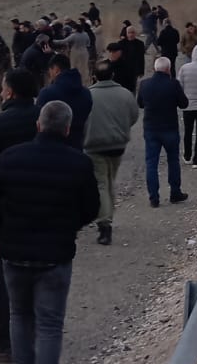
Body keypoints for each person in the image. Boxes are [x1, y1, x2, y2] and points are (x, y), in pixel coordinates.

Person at [0, 98, 99, 364]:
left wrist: (3, 231)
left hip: (14, 253)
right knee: (50, 325)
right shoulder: (78, 164)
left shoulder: (10, 159)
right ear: (67, 129)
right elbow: (91, 208)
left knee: (20, 317)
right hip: (55, 255)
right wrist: (69, 226)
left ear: (39, 125)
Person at [0, 69, 38, 364]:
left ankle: (7, 346)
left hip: (2, 216)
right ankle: (36, 338)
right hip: (43, 210)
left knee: (4, 279)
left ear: (9, 92)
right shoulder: (45, 120)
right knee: (41, 276)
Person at [85, 62, 139, 244]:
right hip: (118, 144)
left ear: (94, 76)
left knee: (101, 183)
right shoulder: (125, 94)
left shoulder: (88, 95)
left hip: (94, 146)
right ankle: (108, 216)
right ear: (113, 75)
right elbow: (134, 116)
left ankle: (104, 223)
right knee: (109, 182)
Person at [137, 58, 189, 208]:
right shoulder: (173, 84)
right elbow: (184, 103)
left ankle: (154, 197)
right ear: (168, 69)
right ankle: (175, 192)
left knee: (151, 163)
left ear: (154, 68)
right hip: (169, 128)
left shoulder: (145, 84)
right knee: (173, 160)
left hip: (151, 128)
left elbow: (140, 103)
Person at [36, 52, 92, 151]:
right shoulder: (86, 93)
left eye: (50, 70)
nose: (50, 74)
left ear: (56, 70)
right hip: (77, 146)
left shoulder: (47, 93)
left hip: (50, 149)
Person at [118, 25, 146, 93]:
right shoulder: (121, 43)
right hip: (123, 70)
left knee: (133, 88)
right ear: (126, 33)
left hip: (134, 70)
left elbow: (141, 58)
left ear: (135, 33)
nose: (131, 34)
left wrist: (141, 71)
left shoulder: (140, 44)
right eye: (129, 32)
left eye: (132, 32)